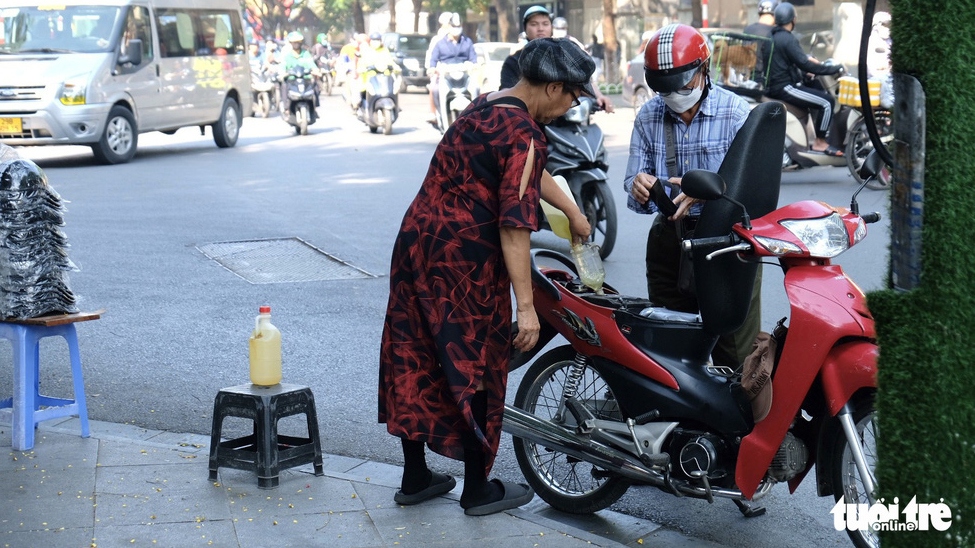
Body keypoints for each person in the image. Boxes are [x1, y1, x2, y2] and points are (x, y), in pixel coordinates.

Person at [378, 38, 596, 516]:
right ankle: (478, 489)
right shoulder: (524, 132)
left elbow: (529, 174)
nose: (571, 106)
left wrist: (572, 210)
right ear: (553, 86)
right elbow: (514, 227)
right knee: (474, 360)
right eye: (573, 96)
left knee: (416, 353)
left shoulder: (489, 105)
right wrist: (527, 309)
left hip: (417, 243)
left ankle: (415, 477)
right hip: (464, 261)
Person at [622, 23, 759, 369]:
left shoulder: (736, 113)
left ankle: (741, 422)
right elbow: (632, 180)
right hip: (670, 241)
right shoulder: (649, 115)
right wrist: (638, 185)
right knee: (672, 352)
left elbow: (752, 192)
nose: (673, 96)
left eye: (682, 85)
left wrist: (706, 194)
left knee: (735, 354)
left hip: (727, 244)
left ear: (704, 69)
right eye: (663, 90)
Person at [765, 2, 845, 156]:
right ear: (793, 19)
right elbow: (806, 64)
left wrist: (804, 73)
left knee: (816, 91)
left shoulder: (772, 36)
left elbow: (786, 63)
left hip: (777, 85)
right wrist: (833, 69)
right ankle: (820, 142)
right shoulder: (787, 39)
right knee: (827, 102)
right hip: (784, 87)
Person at [500, 6, 614, 113]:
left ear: (551, 28)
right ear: (525, 28)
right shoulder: (514, 61)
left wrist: (599, 96)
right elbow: (507, 93)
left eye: (545, 24)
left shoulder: (565, 55)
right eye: (534, 24)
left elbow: (583, 81)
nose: (540, 29)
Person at [428, 13, 477, 119]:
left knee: (477, 88)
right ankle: (437, 115)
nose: (456, 29)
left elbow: (474, 59)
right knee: (434, 89)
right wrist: (432, 68)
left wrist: (474, 65)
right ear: (449, 26)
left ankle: (479, 115)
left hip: (464, 77)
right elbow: (433, 60)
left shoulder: (467, 42)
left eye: (459, 26)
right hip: (445, 76)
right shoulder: (440, 43)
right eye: (454, 26)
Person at [425, 12, 456, 124]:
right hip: (441, 72)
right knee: (434, 88)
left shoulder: (461, 39)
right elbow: (431, 57)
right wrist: (431, 69)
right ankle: (433, 113)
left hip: (458, 73)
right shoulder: (437, 40)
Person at [742, 0, 776, 87]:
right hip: (763, 80)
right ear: (775, 14)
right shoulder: (774, 32)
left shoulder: (747, 29)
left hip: (745, 76)